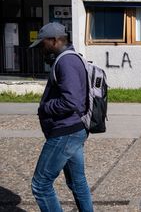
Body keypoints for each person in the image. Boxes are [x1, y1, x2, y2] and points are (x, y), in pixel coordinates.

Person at [29, 22, 93, 212]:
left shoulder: (66, 62)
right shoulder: (69, 59)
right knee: (77, 182)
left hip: (65, 132)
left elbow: (72, 102)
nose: (41, 48)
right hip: (73, 130)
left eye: (43, 43)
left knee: (40, 185)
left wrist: (45, 107)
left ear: (55, 40)